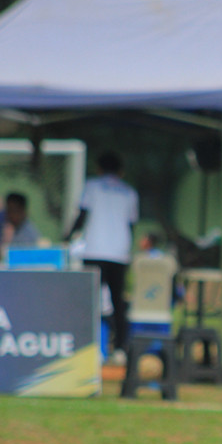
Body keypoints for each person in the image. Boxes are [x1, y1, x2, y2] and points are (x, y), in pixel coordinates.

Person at [65, 151, 139, 362]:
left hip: (94, 250)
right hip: (118, 253)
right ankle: (120, 350)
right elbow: (131, 224)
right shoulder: (129, 192)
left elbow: (82, 215)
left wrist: (68, 237)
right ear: (120, 171)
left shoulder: (92, 186)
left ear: (99, 168)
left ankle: (88, 347)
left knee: (90, 302)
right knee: (118, 303)